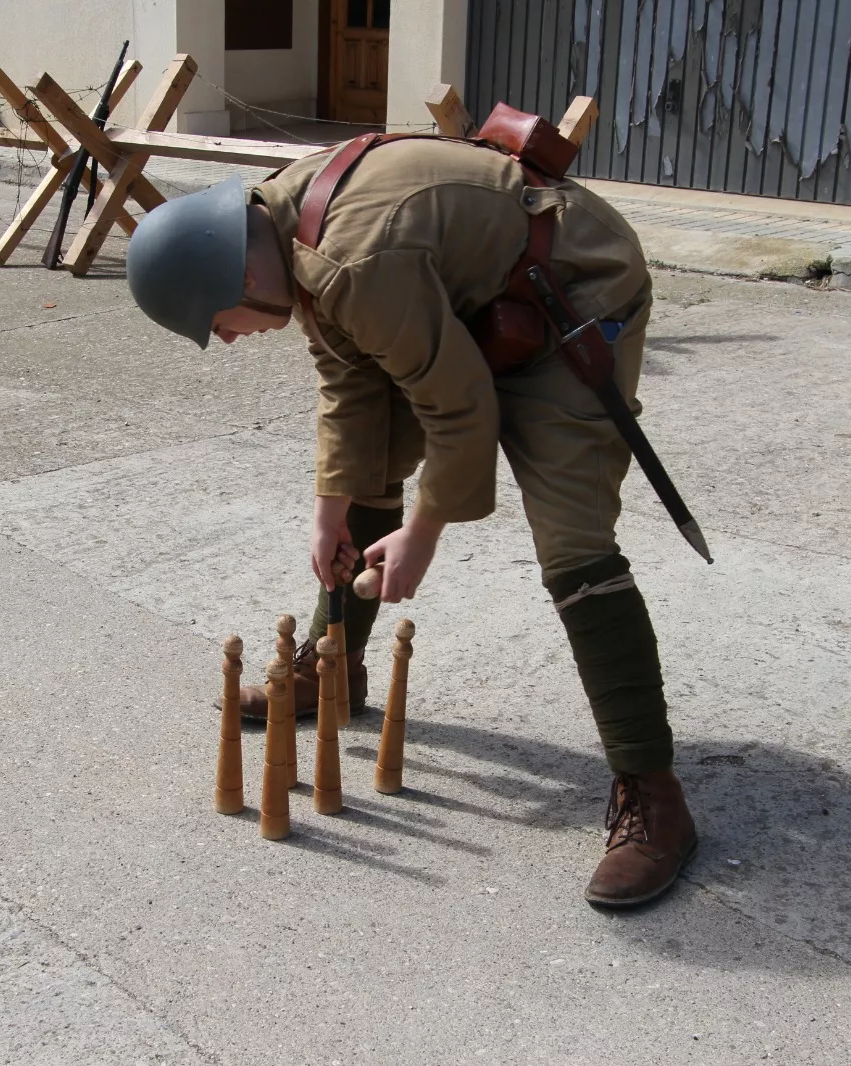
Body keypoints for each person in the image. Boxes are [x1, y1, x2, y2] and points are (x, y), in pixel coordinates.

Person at [124, 132, 696, 908]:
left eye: (216, 323)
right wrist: (330, 509)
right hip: (471, 293)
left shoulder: (350, 259)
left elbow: (461, 409)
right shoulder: (278, 223)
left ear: (242, 276)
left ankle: (653, 798)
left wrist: (423, 533)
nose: (224, 340)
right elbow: (349, 378)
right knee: (369, 462)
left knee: (574, 542)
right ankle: (334, 670)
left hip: (571, 285)